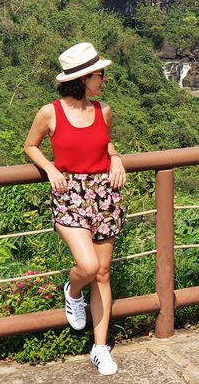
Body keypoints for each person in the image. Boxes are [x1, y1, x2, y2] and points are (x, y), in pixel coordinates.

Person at [24, 42, 126, 376]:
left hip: (104, 194)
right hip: (69, 194)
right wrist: (51, 169)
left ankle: (100, 348)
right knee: (87, 265)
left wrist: (116, 157)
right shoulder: (49, 112)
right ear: (82, 78)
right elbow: (30, 145)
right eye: (100, 75)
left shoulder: (103, 111)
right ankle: (73, 289)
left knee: (103, 272)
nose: (104, 80)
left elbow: (104, 142)